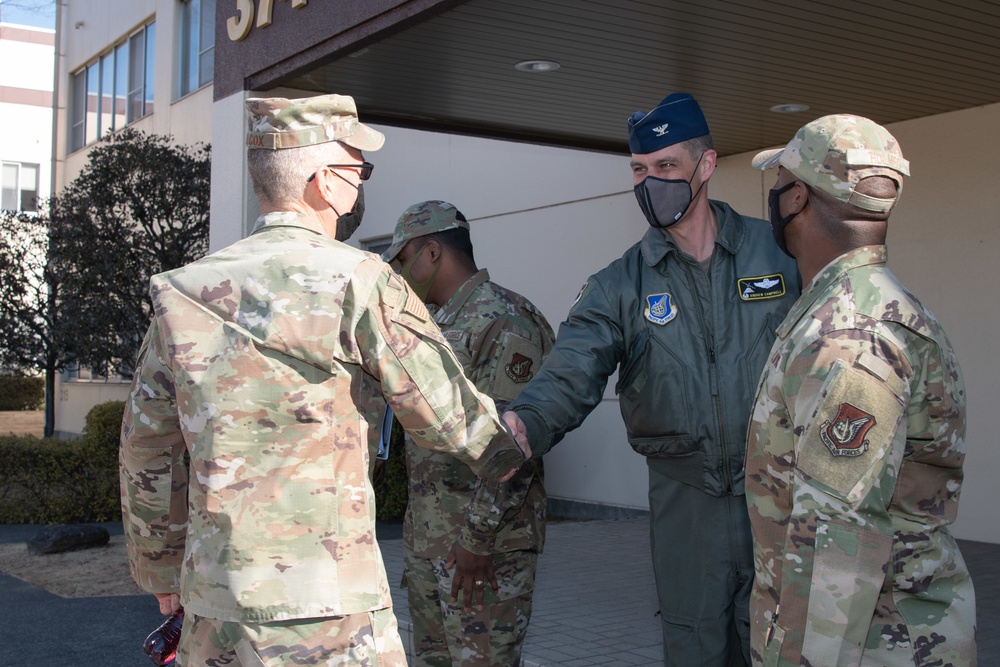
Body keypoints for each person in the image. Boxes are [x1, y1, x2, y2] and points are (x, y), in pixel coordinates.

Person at [119, 94, 529, 667]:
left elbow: (147, 447)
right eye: (358, 172)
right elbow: (448, 416)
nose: (359, 187)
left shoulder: (181, 292)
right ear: (326, 183)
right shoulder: (363, 281)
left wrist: (161, 569)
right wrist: (506, 447)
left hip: (216, 600)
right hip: (331, 604)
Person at [502, 92, 800, 666]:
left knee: (782, 645)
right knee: (693, 645)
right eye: (639, 170)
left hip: (779, 499)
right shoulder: (621, 284)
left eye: (666, 167)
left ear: (705, 166)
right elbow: (571, 369)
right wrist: (525, 423)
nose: (650, 183)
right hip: (685, 505)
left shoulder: (779, 254)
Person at [745, 115, 976, 666]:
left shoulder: (850, 338)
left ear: (795, 197)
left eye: (778, 182)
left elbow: (835, 539)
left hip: (874, 646)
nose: (774, 196)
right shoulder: (862, 311)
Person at [380, 200, 555, 666]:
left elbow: (514, 445)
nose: (398, 273)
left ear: (432, 252)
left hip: (484, 553)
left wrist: (477, 541)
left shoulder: (503, 319)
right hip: (432, 545)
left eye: (402, 259)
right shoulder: (434, 325)